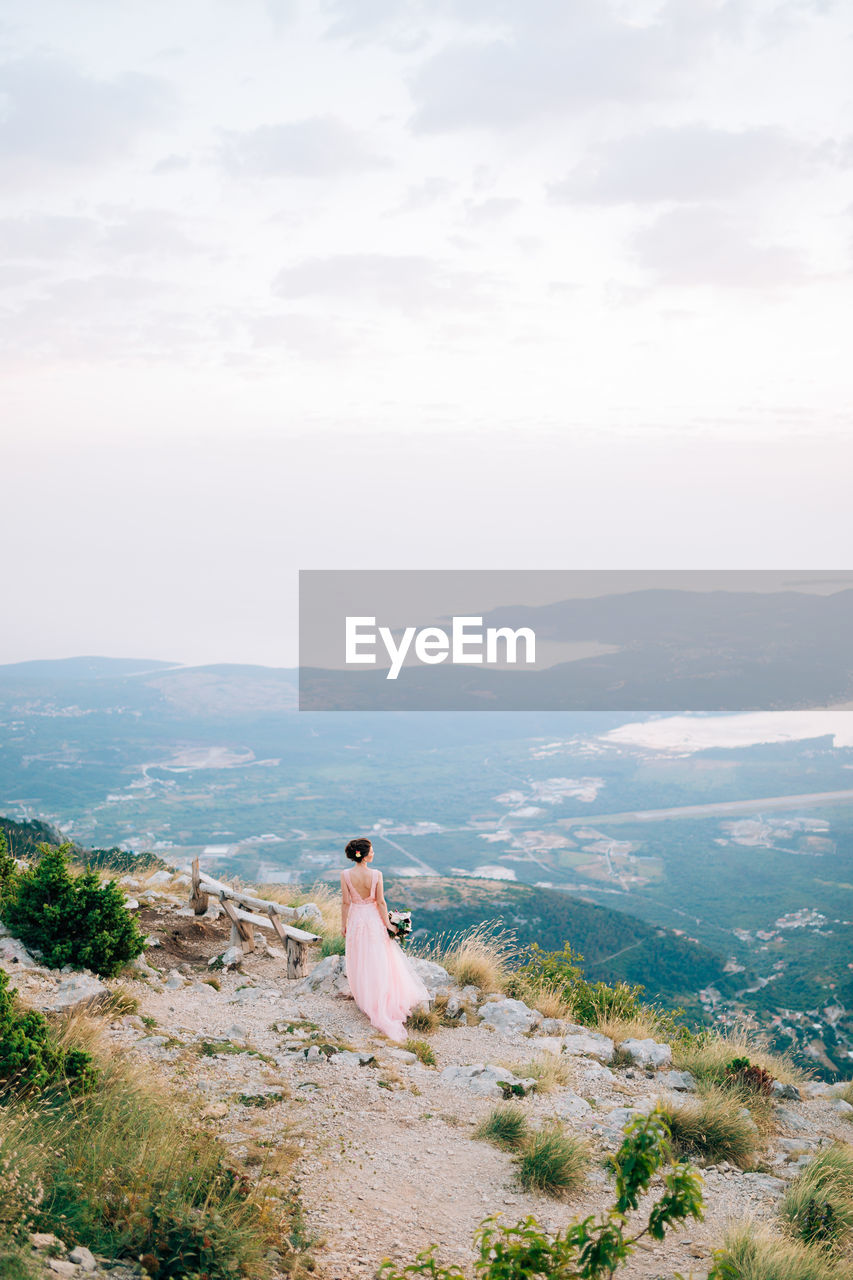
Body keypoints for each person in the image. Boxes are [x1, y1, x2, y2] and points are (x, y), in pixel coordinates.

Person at [340, 836, 430, 1042]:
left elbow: (345, 903)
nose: (373, 853)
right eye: (371, 850)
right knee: (380, 958)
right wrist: (388, 924)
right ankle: (382, 996)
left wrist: (343, 925)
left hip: (356, 919)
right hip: (373, 919)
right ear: (363, 854)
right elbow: (380, 901)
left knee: (360, 957)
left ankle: (365, 996)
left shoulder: (345, 874)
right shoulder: (376, 875)